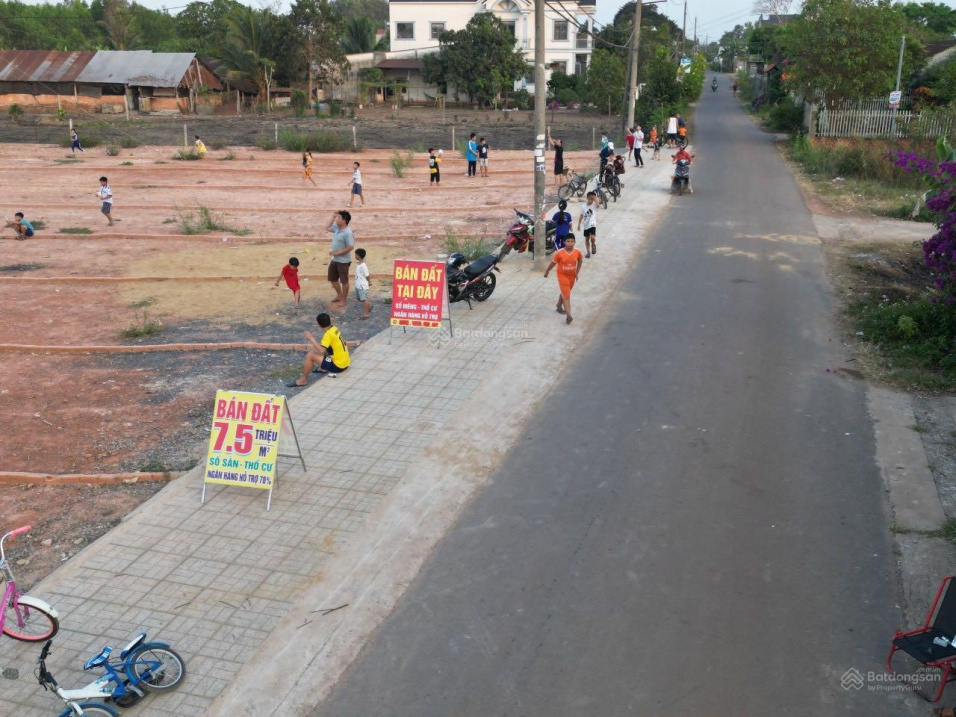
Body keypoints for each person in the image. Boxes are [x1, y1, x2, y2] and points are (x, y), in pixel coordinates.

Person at [287, 313, 351, 387]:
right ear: (329, 321)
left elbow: (321, 351)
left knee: (310, 355)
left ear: (318, 324)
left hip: (338, 367)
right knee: (318, 350)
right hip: (345, 363)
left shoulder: (328, 335)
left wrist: (311, 338)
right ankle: (323, 368)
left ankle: (303, 380)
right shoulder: (334, 328)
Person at [543, 234, 583, 325]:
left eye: (572, 241)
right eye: (568, 241)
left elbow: (580, 261)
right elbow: (553, 263)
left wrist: (577, 273)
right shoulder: (559, 253)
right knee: (567, 295)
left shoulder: (577, 252)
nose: (570, 243)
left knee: (565, 292)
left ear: (575, 242)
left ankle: (558, 305)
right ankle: (568, 315)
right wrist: (547, 271)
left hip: (572, 276)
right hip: (562, 276)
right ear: (564, 242)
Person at [328, 210, 354, 308]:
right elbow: (326, 227)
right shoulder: (337, 228)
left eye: (339, 218)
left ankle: (344, 300)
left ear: (344, 220)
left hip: (343, 261)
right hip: (335, 259)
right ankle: (339, 295)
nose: (337, 220)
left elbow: (351, 246)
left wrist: (338, 252)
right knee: (332, 278)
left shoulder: (348, 232)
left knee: (344, 281)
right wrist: (332, 217)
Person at [577, 190, 597, 258]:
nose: (590, 200)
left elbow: (598, 204)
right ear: (587, 198)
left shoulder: (594, 205)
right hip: (586, 225)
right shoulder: (583, 206)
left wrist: (595, 198)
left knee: (592, 237)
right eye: (589, 198)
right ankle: (588, 252)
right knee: (587, 239)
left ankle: (593, 244)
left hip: (592, 224)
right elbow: (581, 215)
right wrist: (579, 224)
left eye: (592, 199)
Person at [354, 247, 372, 319]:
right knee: (359, 298)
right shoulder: (359, 264)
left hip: (362, 286)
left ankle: (366, 314)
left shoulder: (363, 266)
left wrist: (369, 281)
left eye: (355, 254)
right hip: (358, 285)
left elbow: (367, 275)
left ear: (358, 255)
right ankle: (368, 306)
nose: (354, 256)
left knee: (364, 299)